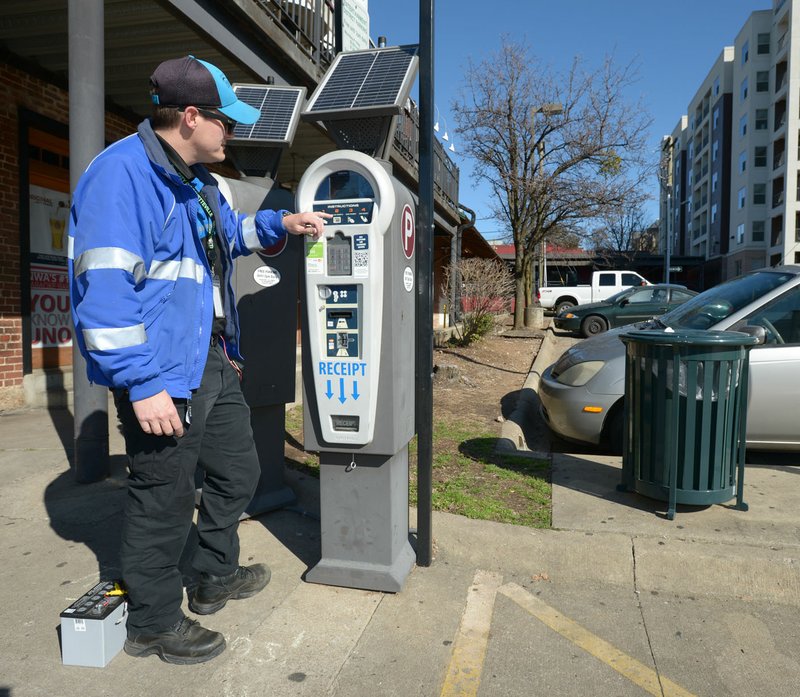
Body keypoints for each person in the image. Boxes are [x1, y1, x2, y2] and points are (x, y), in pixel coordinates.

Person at [69, 55, 329, 665]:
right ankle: (154, 622)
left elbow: (227, 234)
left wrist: (280, 223)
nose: (231, 133)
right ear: (190, 117)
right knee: (162, 498)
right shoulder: (121, 176)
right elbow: (103, 290)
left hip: (210, 356)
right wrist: (141, 383)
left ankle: (213, 574)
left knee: (240, 472)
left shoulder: (197, 183)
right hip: (159, 372)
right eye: (226, 122)